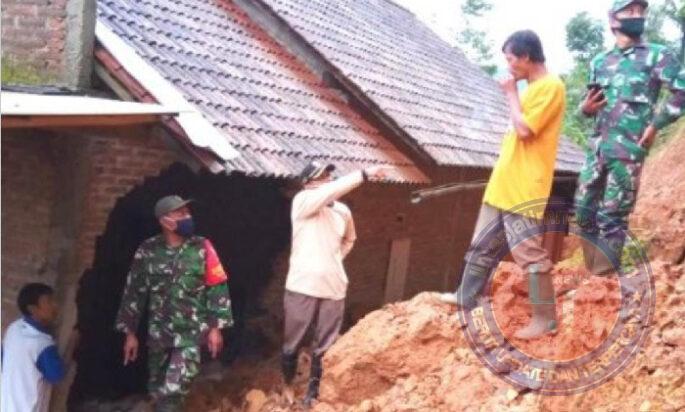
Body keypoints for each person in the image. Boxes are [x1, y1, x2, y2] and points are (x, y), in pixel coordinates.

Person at [440, 30, 567, 340]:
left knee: (528, 252)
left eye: (511, 59)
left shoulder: (551, 87)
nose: (508, 66)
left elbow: (525, 131)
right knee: (481, 242)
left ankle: (545, 319)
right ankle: (465, 296)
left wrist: (510, 93)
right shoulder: (533, 88)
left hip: (524, 186)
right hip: (504, 182)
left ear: (526, 57)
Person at [576, 0, 685, 276]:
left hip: (628, 151)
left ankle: (603, 280)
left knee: (613, 216)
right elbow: (588, 104)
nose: (638, 16)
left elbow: (681, 92)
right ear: (613, 19)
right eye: (631, 11)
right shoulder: (600, 62)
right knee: (583, 211)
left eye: (641, 11)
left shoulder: (658, 55)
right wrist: (585, 109)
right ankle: (593, 274)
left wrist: (656, 125)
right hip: (597, 149)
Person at [282, 161, 390, 406]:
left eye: (330, 174)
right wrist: (363, 174)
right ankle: (287, 384)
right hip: (302, 285)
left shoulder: (342, 211)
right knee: (293, 342)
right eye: (322, 176)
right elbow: (329, 193)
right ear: (308, 183)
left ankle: (313, 394)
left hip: (333, 287)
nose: (328, 178)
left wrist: (333, 260)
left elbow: (350, 239)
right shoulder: (302, 202)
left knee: (325, 345)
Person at [115, 195, 233, 412]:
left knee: (174, 390)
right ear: (164, 220)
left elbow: (217, 287)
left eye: (188, 212)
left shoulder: (202, 247)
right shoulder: (148, 250)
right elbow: (134, 292)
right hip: (158, 335)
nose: (187, 217)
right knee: (157, 389)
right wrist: (129, 333)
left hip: (191, 334)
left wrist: (216, 328)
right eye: (180, 214)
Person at [1, 283, 65, 412]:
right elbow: (58, 376)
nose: (55, 306)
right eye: (48, 302)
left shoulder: (13, 329)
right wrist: (71, 346)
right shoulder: (42, 344)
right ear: (33, 309)